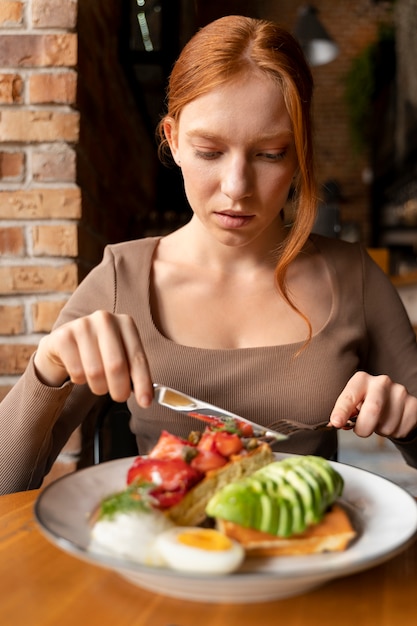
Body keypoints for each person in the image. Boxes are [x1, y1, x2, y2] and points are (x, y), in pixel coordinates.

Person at [1, 15, 417, 494]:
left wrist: (408, 421)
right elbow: (4, 481)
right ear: (174, 140)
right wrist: (46, 369)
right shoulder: (122, 276)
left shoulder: (355, 277)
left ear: (299, 151)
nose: (236, 188)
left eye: (270, 154)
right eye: (209, 151)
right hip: (160, 559)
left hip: (314, 557)